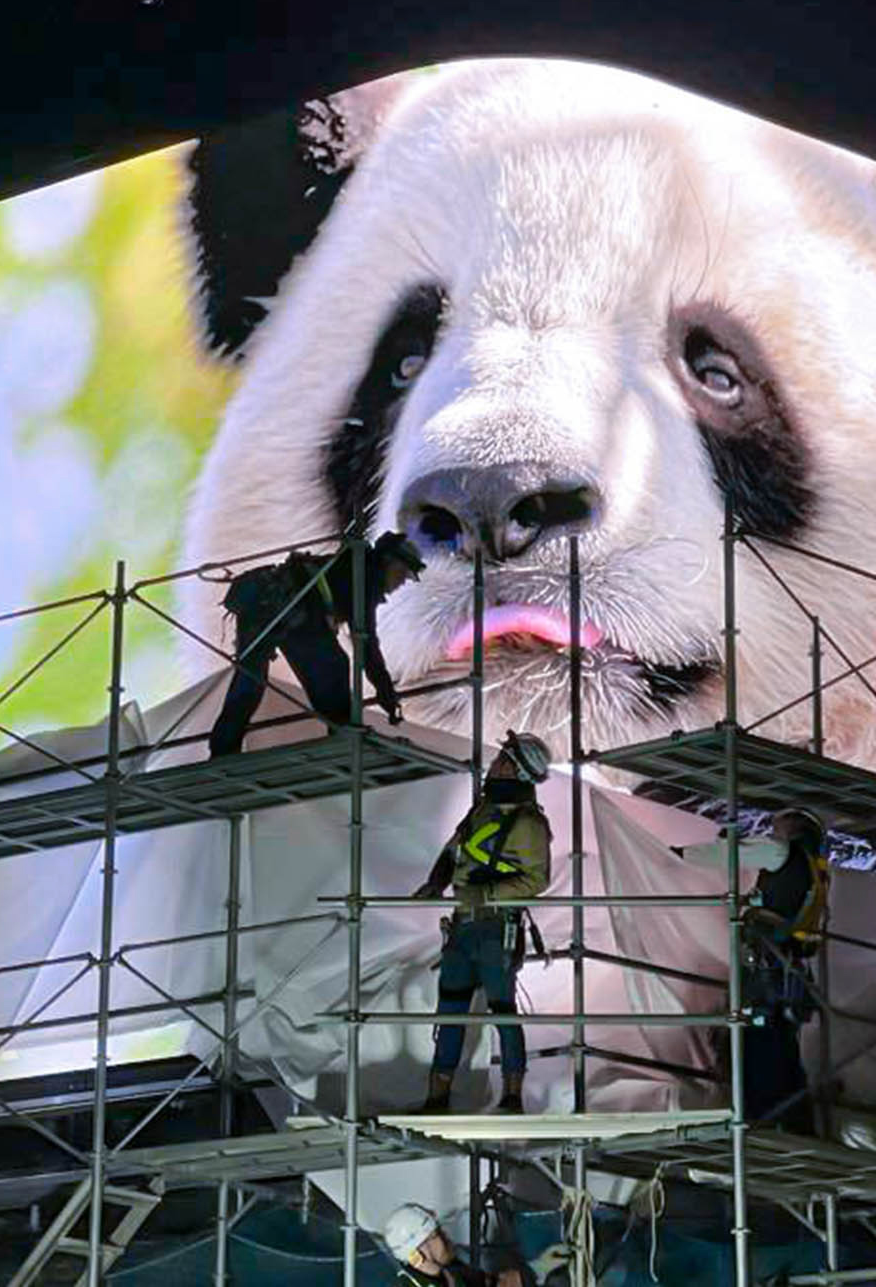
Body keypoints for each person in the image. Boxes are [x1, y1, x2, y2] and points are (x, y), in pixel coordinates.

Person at [411, 730, 554, 1114]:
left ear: (517, 770)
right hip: (465, 925)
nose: (496, 761)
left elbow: (536, 880)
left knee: (502, 1009)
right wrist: (436, 882)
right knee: (451, 1008)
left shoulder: (528, 824)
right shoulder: (483, 810)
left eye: (504, 757)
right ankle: (436, 1099)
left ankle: (512, 1098)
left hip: (496, 926)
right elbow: (454, 849)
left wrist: (485, 896)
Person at [677, 806, 831, 1125]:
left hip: (767, 975)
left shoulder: (783, 853)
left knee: (757, 1048)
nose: (772, 832)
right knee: (780, 1050)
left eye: (777, 826)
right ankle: (793, 1124)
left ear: (794, 829)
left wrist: (675, 853)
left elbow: (728, 854)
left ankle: (758, 1123)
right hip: (784, 974)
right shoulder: (816, 872)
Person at [207, 531, 425, 756]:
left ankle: (222, 749)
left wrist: (384, 693)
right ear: (387, 561)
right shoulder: (364, 575)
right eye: (401, 573)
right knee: (334, 665)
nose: (400, 583)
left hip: (264, 602)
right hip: (293, 608)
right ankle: (344, 732)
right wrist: (387, 695)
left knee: (250, 680)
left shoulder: (348, 566)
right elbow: (366, 645)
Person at [382, 1203, 569, 1287]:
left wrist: (539, 1268)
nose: (445, 1237)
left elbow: (494, 1283)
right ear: (418, 1253)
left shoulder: (450, 1270)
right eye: (436, 1234)